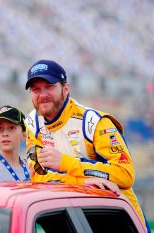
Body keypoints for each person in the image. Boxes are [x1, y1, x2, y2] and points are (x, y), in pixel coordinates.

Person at [24, 59, 150, 231]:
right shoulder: (32, 124)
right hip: (68, 219)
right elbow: (38, 177)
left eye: (49, 86)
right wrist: (83, 182)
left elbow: (125, 174)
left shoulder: (94, 122)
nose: (42, 94)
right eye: (35, 89)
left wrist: (65, 163)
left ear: (66, 88)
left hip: (116, 219)